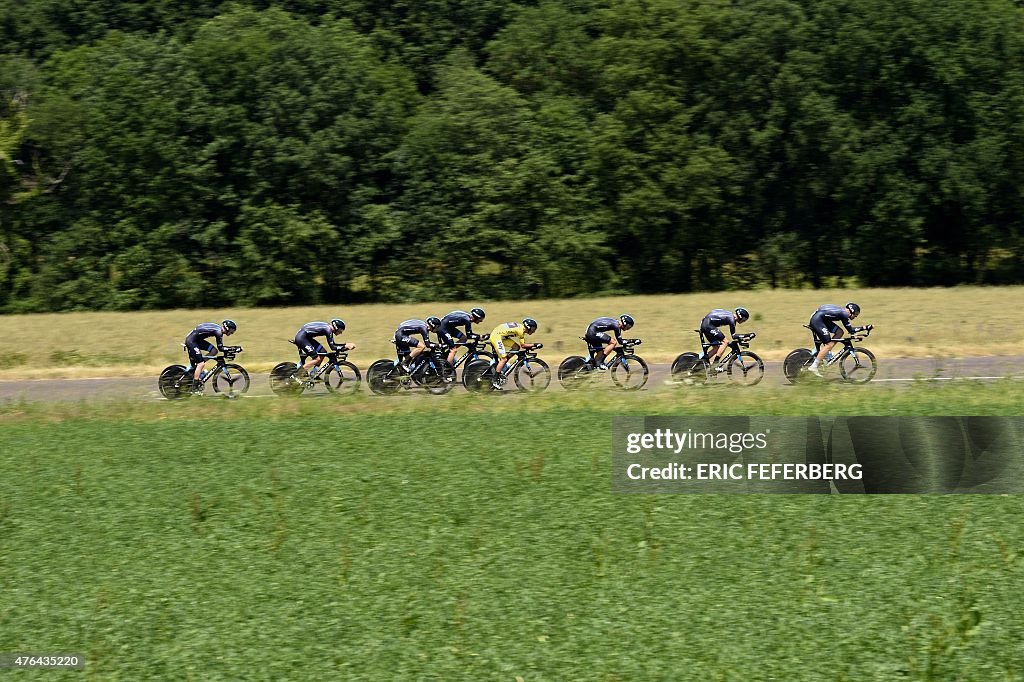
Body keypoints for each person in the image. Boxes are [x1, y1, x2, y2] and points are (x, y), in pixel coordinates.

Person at [806, 302, 870, 377]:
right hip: (818, 320)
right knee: (828, 345)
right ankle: (814, 367)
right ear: (851, 311)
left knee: (840, 332)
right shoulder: (844, 314)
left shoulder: (842, 312)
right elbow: (850, 330)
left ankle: (825, 352)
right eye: (855, 315)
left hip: (821, 319)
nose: (854, 317)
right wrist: (865, 327)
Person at [183, 319, 237, 396]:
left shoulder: (218, 329)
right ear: (227, 328)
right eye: (232, 331)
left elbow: (219, 349)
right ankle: (194, 389)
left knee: (214, 351)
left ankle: (198, 367)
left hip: (196, 339)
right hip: (192, 341)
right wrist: (233, 348)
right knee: (201, 364)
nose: (232, 333)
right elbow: (221, 348)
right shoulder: (218, 332)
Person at [487, 317, 540, 389]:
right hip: (496, 336)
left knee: (516, 347)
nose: (533, 331)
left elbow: (521, 346)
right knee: (504, 359)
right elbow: (523, 345)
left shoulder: (521, 328)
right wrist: (535, 344)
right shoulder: (520, 331)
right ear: (528, 327)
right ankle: (495, 380)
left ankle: (503, 363)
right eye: (533, 329)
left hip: (501, 335)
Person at [699, 307, 750, 371]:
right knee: (725, 342)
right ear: (741, 317)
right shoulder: (731, 319)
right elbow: (734, 336)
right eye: (744, 320)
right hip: (708, 325)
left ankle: (701, 362)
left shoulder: (730, 316)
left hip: (706, 323)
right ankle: (715, 366)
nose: (743, 322)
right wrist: (747, 335)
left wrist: (744, 337)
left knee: (716, 348)